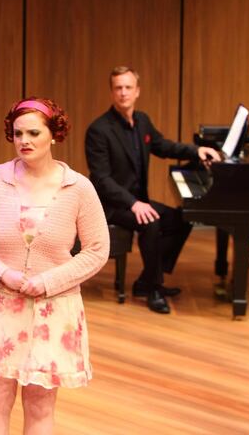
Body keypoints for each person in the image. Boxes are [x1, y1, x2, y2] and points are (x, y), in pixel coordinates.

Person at [0, 97, 109, 434]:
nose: (24, 141)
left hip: (53, 309)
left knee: (40, 405)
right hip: (0, 303)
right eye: (17, 133)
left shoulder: (78, 188)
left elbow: (97, 250)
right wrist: (2, 273)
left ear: (54, 134)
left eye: (33, 133)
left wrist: (49, 281)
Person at [84, 66, 220, 314]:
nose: (123, 93)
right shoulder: (99, 130)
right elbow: (101, 180)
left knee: (183, 218)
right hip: (112, 206)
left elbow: (163, 146)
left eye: (128, 87)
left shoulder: (142, 121)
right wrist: (133, 204)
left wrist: (195, 151)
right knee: (151, 223)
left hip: (138, 200)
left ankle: (147, 279)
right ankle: (154, 287)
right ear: (112, 92)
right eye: (118, 88)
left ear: (137, 91)